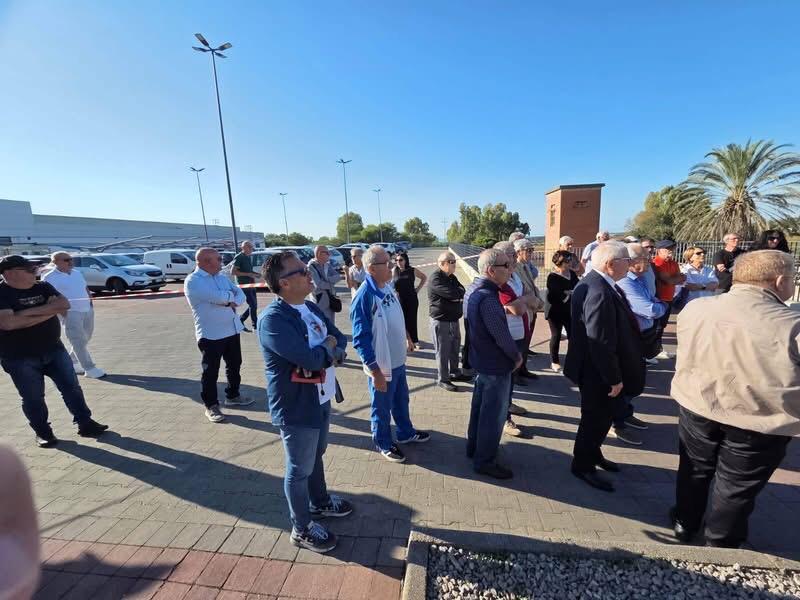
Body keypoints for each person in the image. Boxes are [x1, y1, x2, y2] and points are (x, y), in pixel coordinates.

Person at [670, 250, 799, 548]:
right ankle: (720, 543)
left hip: (698, 404)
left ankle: (685, 522)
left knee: (694, 468)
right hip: (758, 418)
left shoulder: (696, 309)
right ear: (780, 280)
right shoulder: (792, 324)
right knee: (735, 486)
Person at [258, 251, 352, 553]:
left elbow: (339, 337)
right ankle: (301, 528)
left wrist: (330, 349)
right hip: (296, 405)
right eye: (301, 271)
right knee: (299, 469)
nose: (308, 272)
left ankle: (320, 502)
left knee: (317, 454)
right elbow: (310, 359)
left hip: (321, 395)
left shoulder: (309, 307)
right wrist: (328, 349)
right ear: (284, 283)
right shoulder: (273, 320)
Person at [0, 255, 108, 447]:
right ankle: (44, 433)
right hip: (19, 357)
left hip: (54, 349)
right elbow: (8, 323)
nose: (35, 272)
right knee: (33, 397)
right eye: (29, 270)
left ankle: (85, 423)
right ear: (10, 273)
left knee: (72, 388)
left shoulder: (42, 286)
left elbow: (64, 305)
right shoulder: (2, 293)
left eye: (34, 269)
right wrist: (49, 310)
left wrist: (23, 314)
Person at [565, 242, 645, 492]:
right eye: (627, 260)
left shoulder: (599, 283)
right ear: (610, 264)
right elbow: (599, 341)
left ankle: (593, 454)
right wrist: (613, 378)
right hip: (597, 372)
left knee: (601, 418)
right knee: (595, 420)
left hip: (595, 368)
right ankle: (583, 466)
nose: (630, 265)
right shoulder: (598, 290)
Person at [351, 245, 430, 463]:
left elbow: (396, 314)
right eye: (386, 263)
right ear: (371, 269)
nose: (392, 266)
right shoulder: (364, 297)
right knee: (381, 407)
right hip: (381, 365)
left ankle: (405, 432)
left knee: (401, 399)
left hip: (397, 360)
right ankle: (383, 442)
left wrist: (407, 336)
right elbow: (360, 339)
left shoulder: (385, 285)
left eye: (391, 261)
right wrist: (375, 371)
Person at [465, 249, 523, 479]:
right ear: (491, 270)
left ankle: (474, 448)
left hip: (483, 361)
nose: (510, 269)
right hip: (495, 365)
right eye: (505, 266)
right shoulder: (488, 298)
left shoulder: (475, 291)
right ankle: (485, 461)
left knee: (480, 409)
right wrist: (516, 357)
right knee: (493, 416)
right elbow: (501, 335)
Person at [185, 248, 254, 424]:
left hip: (231, 329)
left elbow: (240, 295)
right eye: (218, 259)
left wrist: (230, 300)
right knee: (210, 372)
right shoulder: (193, 281)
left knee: (235, 365)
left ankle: (233, 395)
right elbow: (218, 298)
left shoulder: (221, 277)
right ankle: (211, 406)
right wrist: (228, 298)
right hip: (210, 334)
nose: (222, 262)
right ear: (205, 262)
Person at [612, 243, 668, 446]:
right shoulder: (626, 282)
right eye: (645, 257)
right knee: (629, 381)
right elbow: (650, 309)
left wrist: (659, 305)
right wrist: (662, 307)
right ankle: (616, 422)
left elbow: (653, 301)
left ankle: (625, 414)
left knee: (635, 381)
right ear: (631, 262)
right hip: (630, 339)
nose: (649, 260)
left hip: (642, 337)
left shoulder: (640, 280)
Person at [494, 242, 542, 437]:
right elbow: (516, 309)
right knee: (504, 380)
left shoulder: (514, 276)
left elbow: (530, 296)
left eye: (515, 254)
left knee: (511, 378)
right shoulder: (500, 281)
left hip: (521, 334)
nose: (515, 258)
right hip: (508, 336)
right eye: (511, 255)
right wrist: (524, 301)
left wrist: (523, 300)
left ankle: (508, 404)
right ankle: (503, 418)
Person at [42, 251, 106, 378]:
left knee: (86, 337)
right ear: (55, 262)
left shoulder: (77, 273)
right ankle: (89, 368)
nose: (70, 262)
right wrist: (64, 313)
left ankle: (73, 360)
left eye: (71, 259)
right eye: (66, 260)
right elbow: (50, 298)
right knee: (78, 340)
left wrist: (90, 303)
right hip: (70, 312)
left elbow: (85, 288)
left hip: (87, 309)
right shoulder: (49, 277)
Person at [427, 251, 469, 392]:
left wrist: (457, 295)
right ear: (442, 263)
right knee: (443, 351)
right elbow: (452, 293)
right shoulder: (436, 278)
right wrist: (456, 295)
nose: (454, 264)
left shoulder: (451, 277)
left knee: (454, 347)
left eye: (454, 261)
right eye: (451, 262)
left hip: (453, 319)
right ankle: (443, 379)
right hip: (441, 320)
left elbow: (462, 290)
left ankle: (455, 372)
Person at [651, 240, 685, 360]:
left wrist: (675, 279)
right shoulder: (657, 262)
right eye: (667, 249)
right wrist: (675, 279)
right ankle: (654, 351)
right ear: (659, 250)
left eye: (672, 249)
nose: (670, 251)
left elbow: (682, 278)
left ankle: (657, 349)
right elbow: (668, 280)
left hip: (669, 298)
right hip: (659, 298)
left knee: (662, 326)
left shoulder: (673, 263)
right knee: (657, 327)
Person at [545, 250, 578, 373]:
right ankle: (555, 362)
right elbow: (556, 294)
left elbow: (577, 286)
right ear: (560, 262)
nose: (570, 263)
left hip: (569, 310)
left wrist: (570, 292)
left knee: (572, 335)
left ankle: (572, 359)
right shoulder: (552, 276)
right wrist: (568, 293)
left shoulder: (572, 274)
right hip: (554, 311)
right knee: (556, 335)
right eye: (567, 260)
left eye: (570, 260)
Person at [513, 238, 542, 377]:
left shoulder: (526, 266)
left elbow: (532, 286)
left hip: (531, 308)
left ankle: (523, 369)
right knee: (520, 344)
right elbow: (523, 290)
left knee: (525, 344)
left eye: (532, 250)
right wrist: (535, 301)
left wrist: (538, 300)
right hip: (524, 309)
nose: (531, 253)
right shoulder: (515, 268)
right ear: (518, 252)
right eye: (528, 250)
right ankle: (517, 374)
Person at [391, 251, 427, 348]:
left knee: (412, 319)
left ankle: (415, 341)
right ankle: (407, 340)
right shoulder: (394, 270)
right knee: (402, 320)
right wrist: (393, 291)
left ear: (406, 260)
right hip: (400, 299)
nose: (398, 262)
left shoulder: (412, 270)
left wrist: (418, 289)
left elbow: (424, 277)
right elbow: (389, 283)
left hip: (412, 298)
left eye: (401, 260)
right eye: (396, 260)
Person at [308, 245, 342, 324]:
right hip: (319, 301)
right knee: (321, 323)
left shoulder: (327, 265)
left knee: (331, 323)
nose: (329, 254)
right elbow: (319, 284)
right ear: (319, 254)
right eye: (327, 253)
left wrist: (327, 280)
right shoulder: (311, 266)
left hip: (331, 298)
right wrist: (331, 283)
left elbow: (338, 276)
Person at [232, 240, 261, 332]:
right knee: (253, 305)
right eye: (250, 247)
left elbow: (249, 271)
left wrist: (256, 274)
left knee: (254, 305)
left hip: (251, 284)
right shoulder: (239, 257)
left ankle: (241, 319)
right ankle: (255, 325)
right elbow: (233, 272)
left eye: (252, 247)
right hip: (244, 285)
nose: (252, 249)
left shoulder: (248, 257)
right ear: (244, 247)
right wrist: (248, 274)